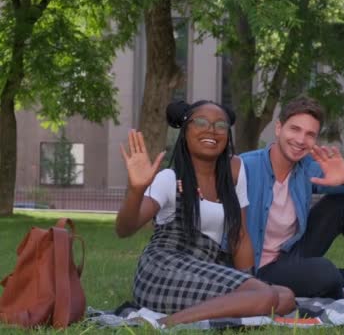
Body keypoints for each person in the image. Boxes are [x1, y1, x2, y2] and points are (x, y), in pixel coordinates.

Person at [115, 100, 295, 327]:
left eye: (220, 125)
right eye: (200, 122)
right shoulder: (170, 178)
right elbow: (124, 229)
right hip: (163, 269)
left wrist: (250, 283)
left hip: (205, 270)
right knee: (266, 297)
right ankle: (163, 324)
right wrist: (136, 190)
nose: (211, 130)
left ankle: (197, 315)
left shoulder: (234, 174)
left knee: (284, 296)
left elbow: (239, 236)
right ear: (185, 130)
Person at [241, 96, 344, 299]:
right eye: (295, 129)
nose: (301, 140)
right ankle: (337, 283)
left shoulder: (306, 168)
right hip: (258, 269)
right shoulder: (245, 166)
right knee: (325, 272)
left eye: (310, 134)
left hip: (290, 254)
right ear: (279, 128)